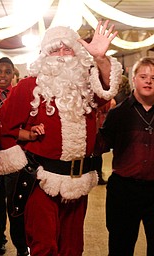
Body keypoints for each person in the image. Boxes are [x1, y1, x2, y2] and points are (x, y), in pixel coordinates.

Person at [0, 20, 122, 255]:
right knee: (44, 246)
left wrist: (101, 58)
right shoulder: (28, 86)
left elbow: (107, 90)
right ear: (45, 55)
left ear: (77, 54)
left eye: (68, 49)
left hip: (79, 180)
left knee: (73, 248)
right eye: (55, 50)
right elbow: (2, 126)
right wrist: (26, 137)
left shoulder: (85, 86)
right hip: (41, 180)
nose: (62, 55)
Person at [95, 57, 154, 256]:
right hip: (124, 190)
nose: (149, 81)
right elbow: (100, 146)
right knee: (121, 246)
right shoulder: (118, 113)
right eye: (143, 76)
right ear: (134, 79)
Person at [0, 57, 29, 256]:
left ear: (13, 74)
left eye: (7, 72)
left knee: (16, 206)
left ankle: (22, 247)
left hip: (16, 157)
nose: (2, 76)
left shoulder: (20, 95)